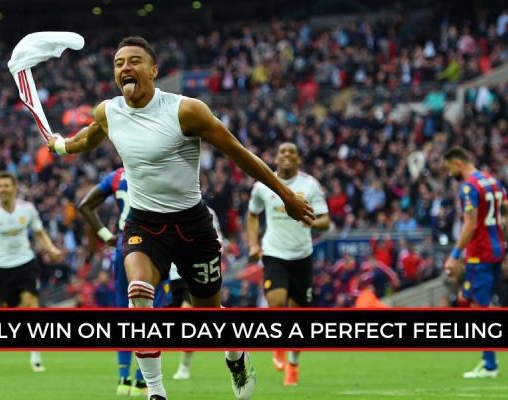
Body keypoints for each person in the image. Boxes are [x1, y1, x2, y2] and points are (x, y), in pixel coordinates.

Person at [48, 36, 314, 400]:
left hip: (192, 225)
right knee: (138, 293)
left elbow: (237, 152)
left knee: (208, 311)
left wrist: (287, 195)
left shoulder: (185, 111)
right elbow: (88, 139)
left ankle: (236, 356)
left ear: (153, 71)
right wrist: (61, 145)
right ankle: (156, 392)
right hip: (143, 224)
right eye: (119, 62)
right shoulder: (108, 112)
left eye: (135, 61)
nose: (125, 67)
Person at [77, 166, 167, 396]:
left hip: (123, 246)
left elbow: (85, 205)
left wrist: (107, 237)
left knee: (123, 308)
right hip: (151, 245)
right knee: (152, 310)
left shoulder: (116, 176)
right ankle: (142, 380)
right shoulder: (157, 169)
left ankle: (123, 378)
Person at [246, 142, 330, 386]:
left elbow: (326, 221)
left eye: (292, 152)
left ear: (298, 159)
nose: (286, 156)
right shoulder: (263, 184)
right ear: (276, 157)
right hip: (274, 253)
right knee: (276, 301)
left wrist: (312, 221)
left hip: (302, 256)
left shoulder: (310, 185)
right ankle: (278, 348)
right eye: (282, 152)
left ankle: (293, 365)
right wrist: (253, 244)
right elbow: (252, 214)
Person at [0, 171, 63, 373]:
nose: (3, 190)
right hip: (2, 266)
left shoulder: (27, 209)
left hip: (25, 262)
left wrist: (51, 249)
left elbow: (39, 232)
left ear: (14, 188)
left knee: (31, 303)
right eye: (0, 187)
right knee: (10, 306)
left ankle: (35, 355)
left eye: (6, 186)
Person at [443, 146, 508, 379]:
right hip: (495, 251)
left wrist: (455, 255)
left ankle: (490, 365)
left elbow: (471, 224)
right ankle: (489, 360)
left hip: (479, 254)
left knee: (478, 306)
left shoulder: (469, 187)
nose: (449, 174)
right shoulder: (491, 181)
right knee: (472, 300)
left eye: (448, 168)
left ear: (457, 163)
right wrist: (501, 241)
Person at [171, 206, 223, 381]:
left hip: (191, 270)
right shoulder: (160, 207)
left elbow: (217, 240)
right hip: (168, 275)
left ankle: (184, 367)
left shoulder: (207, 212)